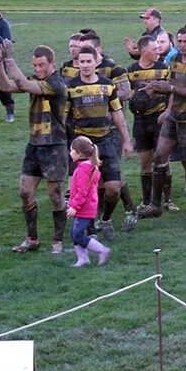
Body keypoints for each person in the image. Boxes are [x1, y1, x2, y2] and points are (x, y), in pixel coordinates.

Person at [0, 40, 70, 255]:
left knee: (55, 195)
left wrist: (8, 59)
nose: (37, 69)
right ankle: (32, 238)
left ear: (51, 63)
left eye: (41, 65)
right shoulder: (37, 80)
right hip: (34, 145)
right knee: (25, 192)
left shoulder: (56, 84)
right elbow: (6, 86)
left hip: (54, 146)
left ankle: (58, 240)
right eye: (34, 66)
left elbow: (24, 85)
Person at [65, 45, 134, 239]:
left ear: (97, 62)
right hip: (82, 145)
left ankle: (105, 218)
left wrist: (127, 141)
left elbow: (118, 115)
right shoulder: (71, 87)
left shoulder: (108, 85)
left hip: (105, 141)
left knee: (113, 188)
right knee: (84, 189)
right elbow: (63, 117)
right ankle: (89, 228)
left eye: (89, 61)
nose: (85, 65)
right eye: (82, 62)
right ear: (77, 63)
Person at [146, 26, 186, 219]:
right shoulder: (173, 59)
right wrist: (164, 100)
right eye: (179, 41)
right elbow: (173, 89)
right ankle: (155, 204)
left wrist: (170, 88)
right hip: (174, 116)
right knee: (158, 155)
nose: (182, 45)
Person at [125, 35, 171, 217]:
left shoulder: (164, 69)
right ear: (144, 51)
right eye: (154, 49)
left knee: (162, 160)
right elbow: (128, 95)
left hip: (159, 119)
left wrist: (167, 112)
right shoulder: (131, 71)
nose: (158, 51)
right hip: (141, 121)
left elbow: (171, 91)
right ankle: (146, 200)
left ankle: (167, 199)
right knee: (145, 163)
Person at [66, 136, 111, 267]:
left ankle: (102, 250)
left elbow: (82, 191)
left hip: (83, 208)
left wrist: (74, 206)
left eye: (72, 151)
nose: (70, 153)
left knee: (78, 234)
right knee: (74, 233)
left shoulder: (82, 170)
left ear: (78, 153)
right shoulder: (90, 167)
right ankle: (83, 258)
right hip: (85, 206)